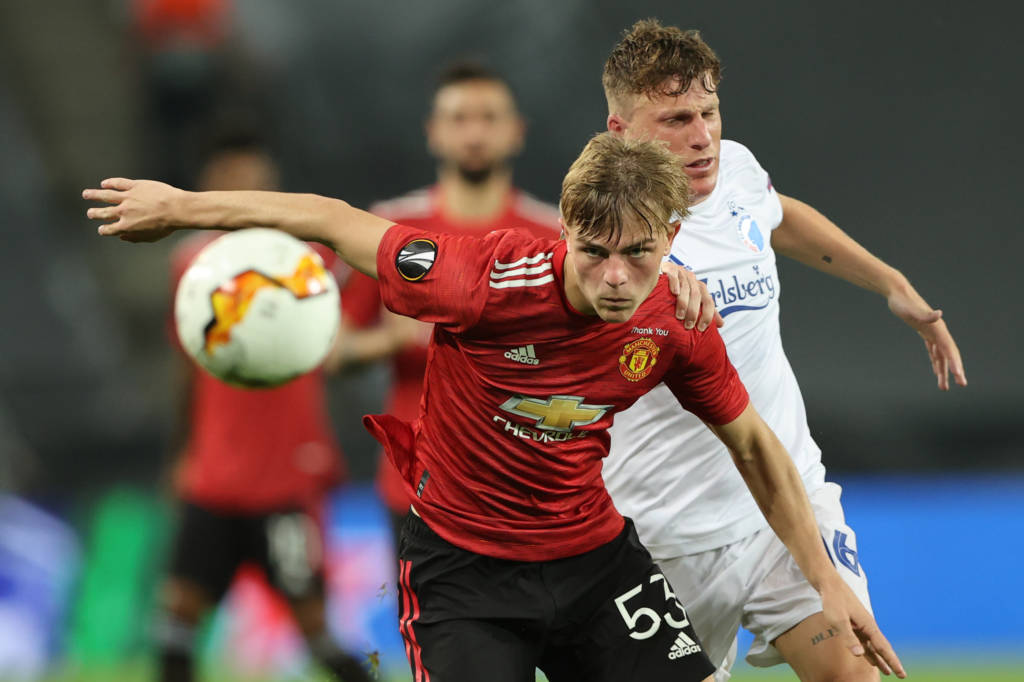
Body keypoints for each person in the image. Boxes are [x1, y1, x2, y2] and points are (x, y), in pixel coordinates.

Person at [84, 131, 906, 682]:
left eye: (639, 253)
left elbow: (755, 446)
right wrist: (181, 209)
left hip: (595, 561)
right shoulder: (477, 280)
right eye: (595, 251)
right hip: (464, 572)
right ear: (566, 229)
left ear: (671, 237)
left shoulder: (677, 322)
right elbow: (331, 221)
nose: (615, 277)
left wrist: (827, 586)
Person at [600, 19, 966, 682]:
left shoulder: (735, 170)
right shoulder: (605, 241)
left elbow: (776, 216)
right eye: (676, 120)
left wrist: (889, 282)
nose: (702, 136)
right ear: (620, 131)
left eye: (709, 112)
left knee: (854, 673)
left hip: (785, 504)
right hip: (666, 534)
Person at [154, 127, 371, 682]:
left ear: (270, 178)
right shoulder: (191, 265)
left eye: (253, 172)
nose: (244, 183)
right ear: (208, 182)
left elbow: (354, 329)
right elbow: (186, 369)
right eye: (230, 173)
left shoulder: (312, 258)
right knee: (175, 623)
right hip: (212, 477)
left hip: (286, 477)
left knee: (317, 632)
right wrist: (182, 452)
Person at [333, 61, 561, 538]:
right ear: (433, 132)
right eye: (459, 119)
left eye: (489, 118)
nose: (474, 133)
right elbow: (333, 352)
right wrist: (391, 340)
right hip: (416, 485)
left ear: (516, 132)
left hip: (523, 488)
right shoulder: (390, 229)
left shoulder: (552, 236)